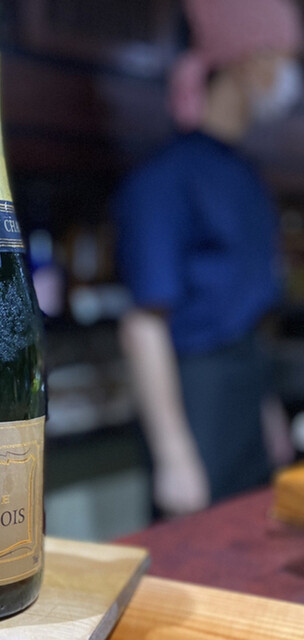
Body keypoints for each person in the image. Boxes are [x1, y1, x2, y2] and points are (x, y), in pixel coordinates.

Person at [115, 0, 303, 517]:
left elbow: (245, 317)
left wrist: (266, 412)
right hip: (194, 395)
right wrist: (174, 456)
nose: (290, 76)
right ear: (247, 60)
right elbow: (143, 325)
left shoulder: (248, 177)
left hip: (247, 385)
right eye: (283, 58)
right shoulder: (164, 179)